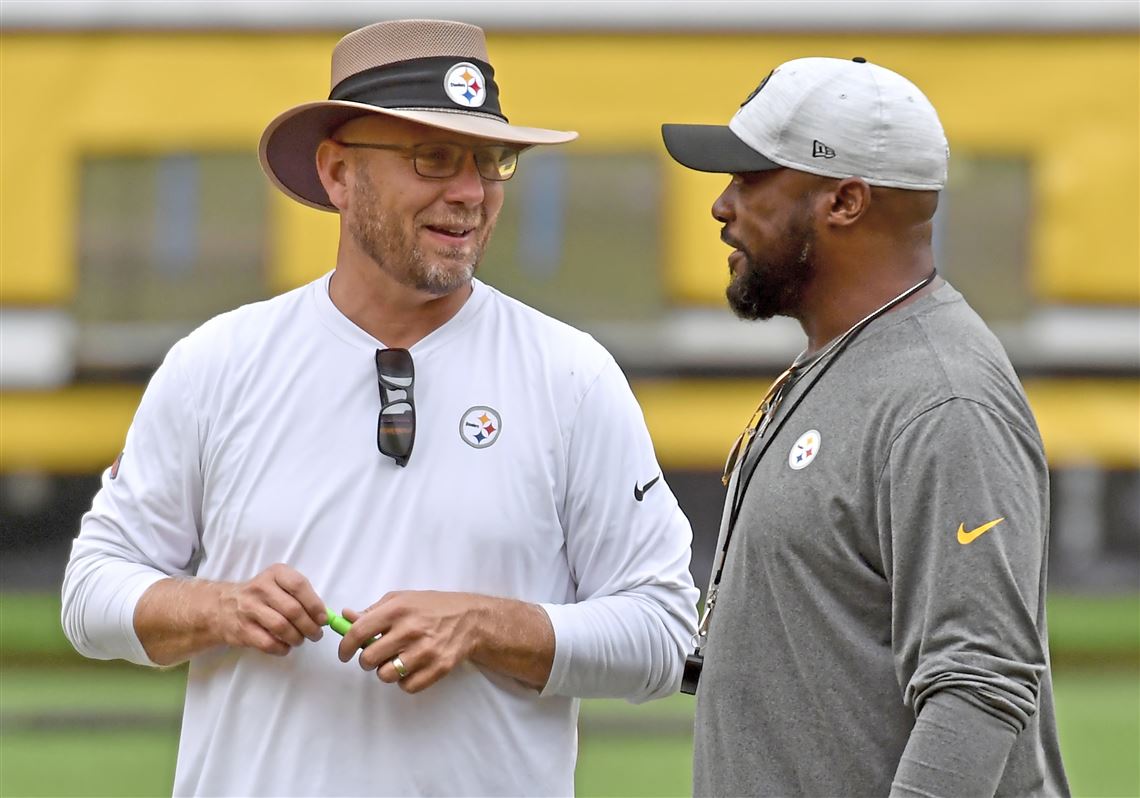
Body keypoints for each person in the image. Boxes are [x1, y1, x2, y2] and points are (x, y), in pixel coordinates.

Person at [62, 19, 698, 797]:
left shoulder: (572, 376)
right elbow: (91, 593)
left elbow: (665, 632)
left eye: (490, 161)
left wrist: (485, 625)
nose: (470, 193)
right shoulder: (217, 363)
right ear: (338, 173)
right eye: (433, 157)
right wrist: (216, 607)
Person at [661, 57, 1069, 797]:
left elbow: (979, 686)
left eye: (749, 179)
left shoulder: (945, 399)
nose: (721, 205)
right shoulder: (847, 355)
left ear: (844, 201)